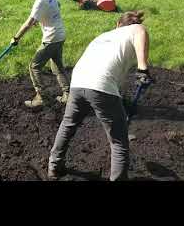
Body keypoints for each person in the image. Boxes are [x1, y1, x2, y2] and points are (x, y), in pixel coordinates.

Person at [48, 11, 153, 181]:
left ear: (118, 24)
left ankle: (54, 166)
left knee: (68, 125)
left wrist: (120, 102)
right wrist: (143, 68)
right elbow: (141, 31)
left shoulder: (104, 36)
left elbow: (113, 73)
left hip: (78, 81)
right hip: (100, 85)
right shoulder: (136, 29)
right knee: (119, 141)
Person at [11, 0, 69, 108]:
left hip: (51, 38)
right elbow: (57, 6)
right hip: (60, 35)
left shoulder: (39, 2)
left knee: (34, 66)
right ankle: (68, 94)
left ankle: (41, 98)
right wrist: (43, 18)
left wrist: (16, 38)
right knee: (57, 67)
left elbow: (28, 23)